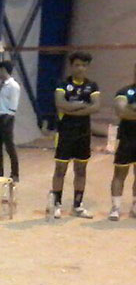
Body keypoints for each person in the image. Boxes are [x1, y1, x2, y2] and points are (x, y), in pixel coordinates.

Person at [47, 51, 100, 220]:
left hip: (83, 133)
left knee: (81, 170)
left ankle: (77, 205)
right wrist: (83, 106)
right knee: (60, 169)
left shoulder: (92, 86)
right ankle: (56, 204)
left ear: (87, 67)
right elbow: (60, 104)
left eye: (84, 65)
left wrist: (72, 108)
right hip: (65, 132)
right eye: (77, 65)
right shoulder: (63, 84)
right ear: (71, 66)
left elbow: (96, 107)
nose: (80, 68)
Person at [109, 63, 136, 221]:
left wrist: (131, 108)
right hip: (126, 138)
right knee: (119, 173)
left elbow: (127, 111)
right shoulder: (124, 91)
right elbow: (121, 111)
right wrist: (128, 110)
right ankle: (116, 208)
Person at [0, 60, 20, 182]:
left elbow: (13, 105)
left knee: (9, 146)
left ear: (4, 70)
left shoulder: (13, 86)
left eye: (0, 70)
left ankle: (15, 173)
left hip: (6, 117)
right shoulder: (2, 84)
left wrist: (7, 118)